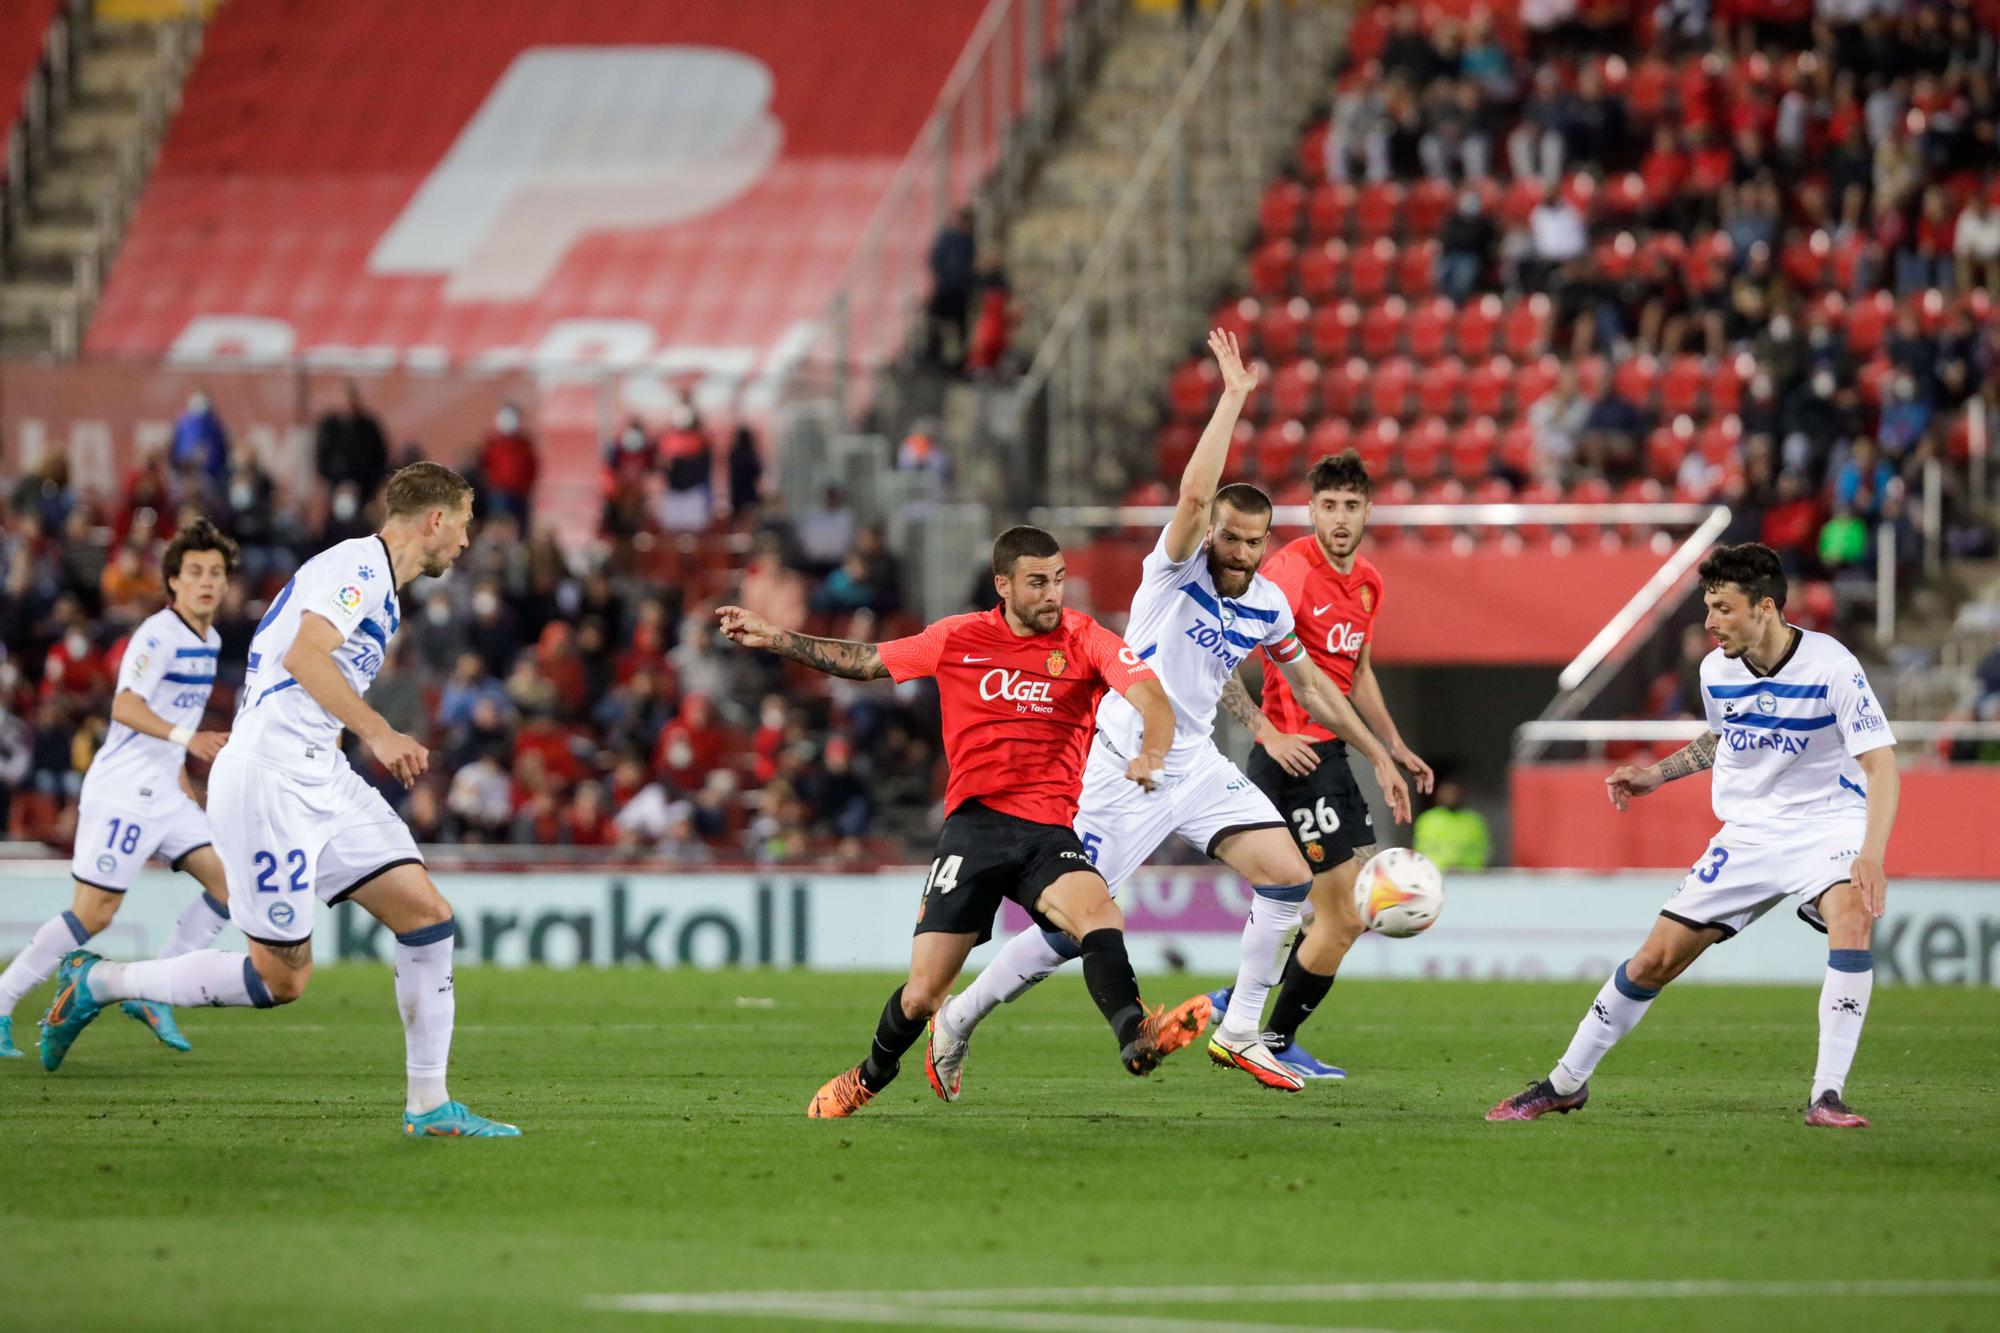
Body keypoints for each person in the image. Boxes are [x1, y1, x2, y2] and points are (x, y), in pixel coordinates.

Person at [925, 332, 1413, 1096]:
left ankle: (1244, 1032)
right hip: (1122, 762)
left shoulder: (1267, 603)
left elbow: (1315, 684)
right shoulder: (1173, 568)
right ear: (1214, 532)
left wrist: (1379, 750)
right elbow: (1191, 495)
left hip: (1192, 762)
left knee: (1288, 875)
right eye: (1232, 536)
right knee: (1063, 934)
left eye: (1255, 540)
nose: (1242, 551)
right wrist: (1232, 399)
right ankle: (958, 1017)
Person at [38, 463, 519, 1138]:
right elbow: (305, 656)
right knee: (281, 980)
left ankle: (429, 1106)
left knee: (428, 915)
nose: (466, 543)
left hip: (319, 773)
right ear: (435, 520)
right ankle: (101, 982)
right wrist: (379, 732)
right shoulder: (360, 568)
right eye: (464, 525)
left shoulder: (377, 584)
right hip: (269, 781)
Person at [717, 525, 1208, 1119]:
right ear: (1003, 585)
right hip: (974, 830)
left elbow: (1153, 699)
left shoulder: (1085, 638)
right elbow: (865, 660)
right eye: (1037, 582)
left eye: (1057, 579)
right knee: (923, 994)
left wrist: (1152, 752)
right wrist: (779, 639)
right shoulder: (958, 638)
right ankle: (869, 1075)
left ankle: (1136, 1034)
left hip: (1047, 832)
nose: (1054, 593)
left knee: (1100, 913)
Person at [1488, 543, 1898, 1129]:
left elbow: (1882, 765)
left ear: (1765, 608)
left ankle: (1826, 1096)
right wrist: (1656, 774)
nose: (1709, 623)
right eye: (1708, 607)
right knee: (1653, 960)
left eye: (1723, 609)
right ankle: (1564, 1083)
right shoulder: (1715, 670)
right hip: (1749, 834)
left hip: (1826, 823)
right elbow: (1723, 737)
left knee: (1852, 915)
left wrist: (1871, 854)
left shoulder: (1832, 665)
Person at [1208, 449, 1434, 1076]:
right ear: (1309, 511)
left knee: (1342, 913)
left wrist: (1392, 746)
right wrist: (1266, 731)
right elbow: (1220, 660)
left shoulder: (1368, 583)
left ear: (1368, 511)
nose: (1339, 518)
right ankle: (1265, 1038)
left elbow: (1356, 673)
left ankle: (1241, 1009)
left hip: (1331, 753)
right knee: (1343, 914)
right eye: (1328, 506)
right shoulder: (1287, 572)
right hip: (1298, 759)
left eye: (1350, 506)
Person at [0, 521, 238, 1060]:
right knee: (94, 914)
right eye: (195, 572)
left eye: (216, 573)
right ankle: (2, 1001)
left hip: (166, 791)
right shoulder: (157, 635)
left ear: (226, 585)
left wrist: (187, 789)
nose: (206, 582)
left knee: (231, 885)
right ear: (173, 582)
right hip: (124, 790)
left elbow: (174, 727)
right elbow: (125, 706)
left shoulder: (212, 639)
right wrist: (188, 738)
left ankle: (153, 990)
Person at [313, 380, 390, 502]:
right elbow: (322, 459)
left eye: (351, 399)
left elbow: (380, 457)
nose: (348, 404)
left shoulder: (369, 426)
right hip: (336, 486)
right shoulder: (329, 426)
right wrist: (337, 481)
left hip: (365, 487)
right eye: (344, 400)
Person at [478, 403, 538, 530]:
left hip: (521, 492)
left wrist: (527, 486)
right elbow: (484, 465)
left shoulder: (525, 444)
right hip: (499, 492)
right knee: (500, 523)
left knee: (521, 527)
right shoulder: (492, 442)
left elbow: (532, 467)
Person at [1412, 774, 1489, 870]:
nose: (1450, 796)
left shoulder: (1474, 820)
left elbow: (1481, 849)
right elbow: (1422, 849)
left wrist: (1465, 865)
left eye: (1453, 793)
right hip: (1437, 873)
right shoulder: (1428, 819)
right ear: (1439, 795)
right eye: (1446, 793)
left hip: (1468, 875)